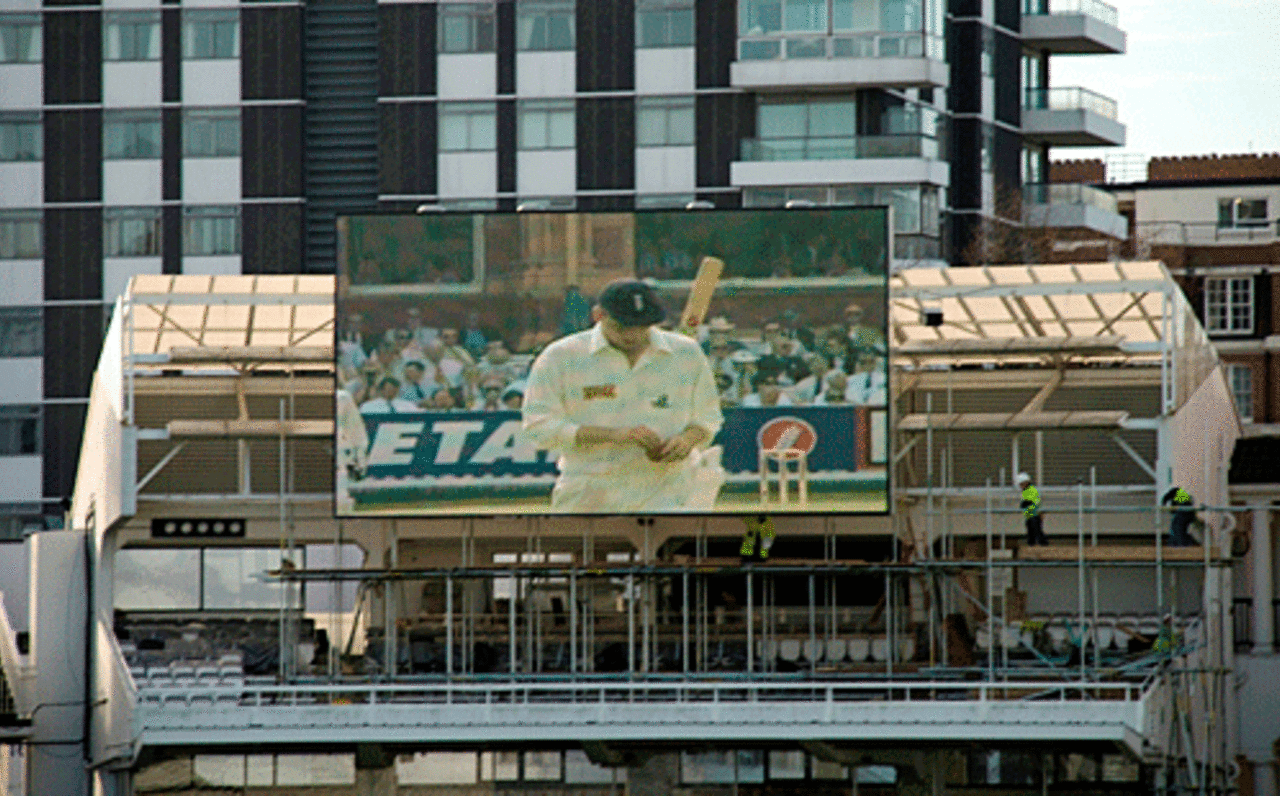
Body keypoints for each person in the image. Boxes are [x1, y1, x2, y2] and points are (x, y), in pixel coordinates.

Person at [522, 279, 724, 512]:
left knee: (672, 549)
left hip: (668, 489)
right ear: (599, 315)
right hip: (591, 489)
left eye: (642, 326)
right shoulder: (562, 356)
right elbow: (538, 427)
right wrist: (615, 435)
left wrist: (687, 440)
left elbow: (708, 418)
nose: (633, 335)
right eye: (623, 326)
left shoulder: (685, 353)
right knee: (586, 549)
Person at [1017, 472, 1049, 546]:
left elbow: (1036, 501)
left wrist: (1027, 503)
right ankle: (1032, 544)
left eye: (1021, 484)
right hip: (1029, 515)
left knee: (1036, 530)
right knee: (1030, 530)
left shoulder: (1032, 489)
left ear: (1026, 482)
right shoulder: (1025, 491)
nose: (1021, 486)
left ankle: (1042, 544)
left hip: (1035, 514)